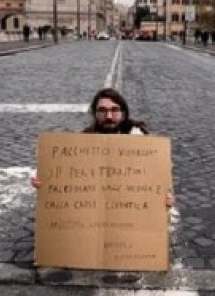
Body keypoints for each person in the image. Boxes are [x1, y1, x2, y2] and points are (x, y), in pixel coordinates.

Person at [31, 88, 174, 208]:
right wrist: (44, 183)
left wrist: (166, 197)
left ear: (123, 113)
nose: (109, 116)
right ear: (94, 113)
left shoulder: (142, 141)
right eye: (102, 110)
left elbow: (158, 179)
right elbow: (63, 177)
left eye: (114, 110)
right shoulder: (80, 142)